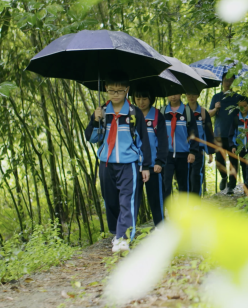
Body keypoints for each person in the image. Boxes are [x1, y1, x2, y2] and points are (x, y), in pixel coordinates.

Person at [85, 71, 151, 253]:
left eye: (120, 91)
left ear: (127, 90)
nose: (115, 94)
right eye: (112, 90)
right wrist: (94, 120)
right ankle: (116, 232)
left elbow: (143, 141)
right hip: (106, 163)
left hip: (128, 164)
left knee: (127, 199)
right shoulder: (102, 112)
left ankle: (124, 237)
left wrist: (145, 166)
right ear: (105, 88)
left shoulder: (134, 113)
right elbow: (91, 138)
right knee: (111, 200)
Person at [133, 90, 168, 226]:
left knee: (155, 198)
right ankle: (128, 232)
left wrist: (160, 161)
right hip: (135, 164)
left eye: (144, 99)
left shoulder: (157, 115)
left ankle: (160, 227)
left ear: (151, 98)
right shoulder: (131, 114)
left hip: (154, 165)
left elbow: (163, 141)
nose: (141, 102)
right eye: (138, 98)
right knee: (133, 200)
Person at [161, 94, 200, 200]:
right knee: (165, 184)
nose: (173, 97)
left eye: (176, 93)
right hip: (166, 155)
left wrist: (192, 151)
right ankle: (165, 211)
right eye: (170, 94)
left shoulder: (187, 111)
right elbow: (158, 133)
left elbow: (194, 133)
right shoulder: (163, 111)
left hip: (183, 154)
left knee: (183, 184)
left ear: (180, 94)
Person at [208, 73, 242, 193]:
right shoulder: (216, 97)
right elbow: (209, 115)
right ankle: (224, 177)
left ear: (234, 82)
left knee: (233, 161)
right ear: (222, 81)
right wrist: (215, 108)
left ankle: (231, 186)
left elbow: (244, 113)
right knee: (219, 160)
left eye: (230, 80)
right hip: (219, 133)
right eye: (225, 80)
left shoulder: (238, 97)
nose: (228, 82)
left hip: (234, 134)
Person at [186, 91, 215, 196]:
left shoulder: (203, 112)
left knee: (196, 175)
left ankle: (196, 201)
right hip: (184, 149)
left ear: (198, 95)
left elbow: (208, 132)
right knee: (186, 176)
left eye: (193, 93)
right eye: (189, 93)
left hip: (199, 149)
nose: (191, 96)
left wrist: (210, 152)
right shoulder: (182, 111)